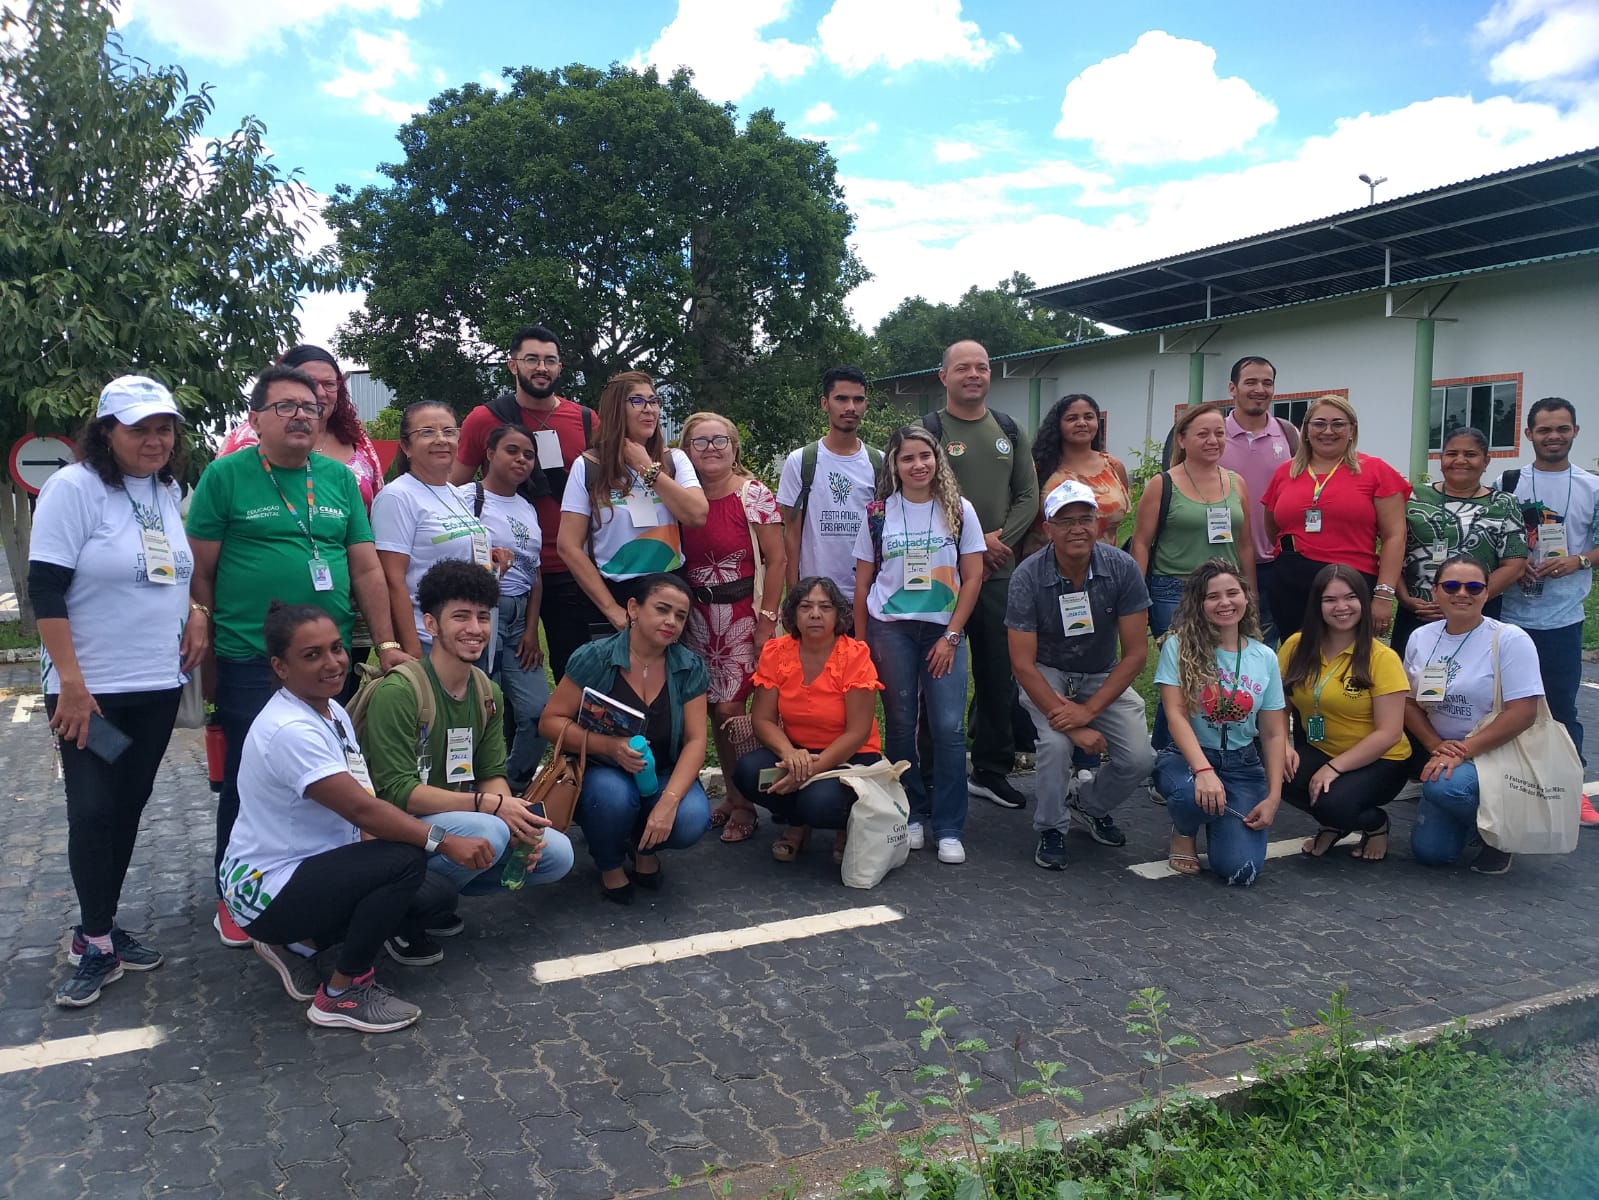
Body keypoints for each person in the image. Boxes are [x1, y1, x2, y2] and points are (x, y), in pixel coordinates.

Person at [188, 364, 410, 950]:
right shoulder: (225, 476)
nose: (300, 416)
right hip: (251, 659)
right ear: (256, 418)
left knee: (330, 774)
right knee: (247, 779)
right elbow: (200, 569)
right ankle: (237, 897)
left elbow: (364, 566)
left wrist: (385, 644)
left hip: (326, 658)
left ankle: (321, 889)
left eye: (309, 407)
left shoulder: (337, 478)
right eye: (285, 406)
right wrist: (200, 624)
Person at [223, 601, 495, 1033]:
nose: (332, 663)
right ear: (280, 666)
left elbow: (364, 810)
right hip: (264, 888)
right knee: (405, 861)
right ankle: (341, 994)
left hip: (305, 870)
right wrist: (444, 841)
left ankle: (302, 942)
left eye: (336, 648)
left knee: (433, 895)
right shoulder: (291, 730)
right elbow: (362, 808)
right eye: (312, 655)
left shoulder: (332, 711)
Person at [31, 377, 209, 1007]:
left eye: (164, 428)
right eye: (139, 428)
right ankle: (97, 939)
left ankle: (96, 927)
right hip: (93, 694)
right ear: (107, 430)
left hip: (156, 686)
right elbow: (45, 590)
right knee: (94, 807)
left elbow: (172, 572)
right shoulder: (73, 488)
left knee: (130, 802)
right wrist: (72, 687)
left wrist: (195, 612)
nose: (155, 440)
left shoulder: (166, 490)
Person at [358, 560, 574, 965]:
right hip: (385, 830)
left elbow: (492, 774)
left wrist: (513, 822)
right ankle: (398, 914)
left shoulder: (486, 691)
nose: (475, 628)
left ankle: (432, 899)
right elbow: (396, 792)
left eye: (482, 617)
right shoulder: (399, 692)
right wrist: (491, 809)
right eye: (460, 616)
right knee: (489, 830)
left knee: (557, 853)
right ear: (431, 624)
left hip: (450, 819)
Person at [1007, 480, 1156, 871]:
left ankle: (1087, 804)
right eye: (1065, 520)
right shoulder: (1027, 576)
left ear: (1098, 522)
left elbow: (1136, 654)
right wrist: (1073, 727)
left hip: (1101, 675)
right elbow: (1022, 664)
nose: (1077, 529)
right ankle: (1051, 827)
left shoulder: (1121, 568)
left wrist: (1088, 711)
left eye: (1085, 519)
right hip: (1047, 673)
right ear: (1048, 528)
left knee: (1140, 758)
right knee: (1056, 747)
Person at [538, 574, 711, 903]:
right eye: (662, 609)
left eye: (680, 615)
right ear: (633, 608)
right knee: (613, 799)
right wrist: (610, 747)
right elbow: (549, 722)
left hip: (660, 771)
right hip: (603, 769)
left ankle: (643, 847)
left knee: (690, 819)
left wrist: (669, 801)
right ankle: (609, 863)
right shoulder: (595, 658)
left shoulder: (690, 667)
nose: (671, 622)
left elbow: (696, 741)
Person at [854, 425, 983, 863]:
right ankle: (909, 813)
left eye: (924, 456)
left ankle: (948, 826)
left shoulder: (959, 510)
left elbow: (974, 576)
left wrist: (951, 635)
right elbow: (862, 582)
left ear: (937, 459)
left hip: (942, 631)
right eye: (907, 458)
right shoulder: (876, 513)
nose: (917, 465)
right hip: (891, 629)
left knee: (948, 729)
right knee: (901, 722)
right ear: (895, 464)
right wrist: (860, 642)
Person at [920, 339, 1039, 812]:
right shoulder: (927, 430)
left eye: (983, 367)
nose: (974, 374)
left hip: (997, 574)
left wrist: (995, 541)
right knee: (931, 674)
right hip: (938, 575)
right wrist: (971, 540)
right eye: (963, 368)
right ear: (943, 376)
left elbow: (1028, 495)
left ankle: (991, 768)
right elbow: (918, 488)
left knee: (998, 676)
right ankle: (925, 775)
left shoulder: (1008, 429)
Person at [452, 324, 601, 682]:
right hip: (506, 573)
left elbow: (605, 489)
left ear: (560, 367)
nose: (541, 368)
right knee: (494, 671)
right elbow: (452, 490)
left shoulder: (585, 419)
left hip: (571, 564)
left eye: (550, 360)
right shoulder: (484, 419)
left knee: (575, 666)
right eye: (531, 359)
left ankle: (573, 734)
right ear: (512, 365)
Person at [677, 412, 785, 843]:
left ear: (735, 447)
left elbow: (777, 559)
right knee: (706, 711)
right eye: (699, 442)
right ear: (686, 452)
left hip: (741, 616)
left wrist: (767, 621)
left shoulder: (753, 494)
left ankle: (751, 802)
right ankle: (735, 796)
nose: (711, 449)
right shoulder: (681, 499)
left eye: (719, 440)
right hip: (693, 621)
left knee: (730, 711)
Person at [1403, 556, 1545, 875]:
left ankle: (1501, 834)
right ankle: (1476, 821)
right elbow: (1407, 701)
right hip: (1445, 751)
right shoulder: (1421, 638)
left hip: (1496, 752)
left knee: (1442, 787)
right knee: (1431, 854)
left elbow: (1524, 713)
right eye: (1451, 585)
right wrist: (1436, 745)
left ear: (1487, 593)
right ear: (1435, 592)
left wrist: (1463, 751)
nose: (1462, 593)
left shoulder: (1510, 639)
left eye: (1474, 586)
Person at [1152, 559, 1287, 885]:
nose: (1224, 603)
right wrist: (1204, 771)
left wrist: (1273, 797)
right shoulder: (1178, 645)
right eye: (1213, 596)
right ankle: (1185, 828)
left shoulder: (1264, 656)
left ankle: (1219, 814)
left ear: (1246, 597)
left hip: (1242, 764)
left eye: (1232, 593)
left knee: (1240, 872)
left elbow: (1272, 731)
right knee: (1190, 796)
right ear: (1199, 604)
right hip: (1188, 758)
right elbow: (1175, 715)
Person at [731, 577, 883, 864]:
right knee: (748, 772)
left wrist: (812, 768)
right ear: (793, 615)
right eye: (806, 606)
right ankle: (797, 823)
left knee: (819, 802)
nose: (815, 614)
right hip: (797, 753)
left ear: (839, 614)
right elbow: (762, 719)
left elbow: (859, 733)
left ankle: (844, 826)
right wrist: (789, 754)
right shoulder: (776, 652)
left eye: (825, 607)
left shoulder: (854, 655)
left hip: (851, 757)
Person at [1279, 565, 1412, 862]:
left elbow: (1389, 733)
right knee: (1272, 766)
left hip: (1381, 761)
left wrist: (1335, 768)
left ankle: (1375, 825)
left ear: (1363, 602)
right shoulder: (1295, 646)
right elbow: (1278, 703)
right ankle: (1333, 824)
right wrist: (1284, 745)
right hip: (1322, 747)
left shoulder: (1383, 658)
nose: (1341, 607)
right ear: (1317, 604)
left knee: (1334, 802)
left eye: (1350, 597)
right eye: (1330, 600)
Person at [1161, 356, 1299, 641]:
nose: (1259, 389)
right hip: (1220, 563)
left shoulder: (1289, 435)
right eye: (1250, 382)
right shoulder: (1212, 435)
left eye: (1267, 382)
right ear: (1232, 388)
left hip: (1275, 562)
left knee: (1263, 645)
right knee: (1208, 647)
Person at [1495, 397, 1595, 782]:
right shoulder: (1507, 483)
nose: (1553, 436)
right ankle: (1505, 778)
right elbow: (1488, 539)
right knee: (1503, 702)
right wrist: (1512, 566)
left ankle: (1569, 781)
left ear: (1575, 432)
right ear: (1528, 435)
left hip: (1562, 617)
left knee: (1560, 706)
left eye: (1562, 429)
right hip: (1508, 615)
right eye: (1544, 430)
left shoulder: (1593, 486)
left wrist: (1578, 560)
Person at [557, 371, 707, 628]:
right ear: (616, 408)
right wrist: (612, 610)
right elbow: (568, 546)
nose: (649, 409)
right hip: (615, 591)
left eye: (654, 401)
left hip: (668, 590)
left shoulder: (674, 460)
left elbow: (697, 515)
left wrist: (648, 469)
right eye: (638, 401)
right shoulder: (588, 466)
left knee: (664, 669)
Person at [1261, 394, 1409, 641]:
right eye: (1319, 424)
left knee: (1348, 662)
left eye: (1338, 424)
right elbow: (1272, 529)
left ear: (1352, 430)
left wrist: (1384, 595)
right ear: (1306, 430)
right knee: (1296, 661)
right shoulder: (1285, 472)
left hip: (1350, 585)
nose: (1327, 431)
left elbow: (1395, 536)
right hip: (1290, 585)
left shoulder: (1375, 470)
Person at [370, 401, 495, 659]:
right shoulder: (397, 497)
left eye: (449, 432)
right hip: (427, 640)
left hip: (466, 635)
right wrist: (412, 650)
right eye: (427, 432)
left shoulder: (454, 493)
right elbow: (392, 580)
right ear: (406, 446)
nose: (441, 439)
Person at [1393, 426, 1527, 660]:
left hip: (1478, 616)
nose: (1460, 460)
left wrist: (1463, 603)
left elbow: (1514, 564)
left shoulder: (1504, 503)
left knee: (1475, 686)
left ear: (1486, 461)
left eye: (1471, 454)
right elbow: (1391, 548)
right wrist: (1404, 598)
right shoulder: (1412, 497)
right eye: (1452, 453)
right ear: (1441, 457)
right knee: (1408, 687)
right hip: (1418, 615)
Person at [1131, 400, 1257, 646]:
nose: (1213, 440)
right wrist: (1137, 599)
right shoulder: (1162, 484)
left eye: (1219, 433)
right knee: (1182, 670)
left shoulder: (1236, 482)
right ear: (1181, 439)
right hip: (1174, 590)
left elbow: (1245, 545)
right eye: (1203, 434)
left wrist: (1250, 593)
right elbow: (1141, 544)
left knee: (1224, 666)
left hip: (1226, 592)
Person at [472, 424, 549, 789]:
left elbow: (535, 572)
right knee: (480, 709)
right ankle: (470, 789)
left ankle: (512, 786)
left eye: (529, 455)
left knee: (539, 715)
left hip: (521, 617)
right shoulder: (465, 499)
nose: (521, 459)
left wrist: (532, 629)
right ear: (489, 453)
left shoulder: (527, 508)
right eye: (512, 450)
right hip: (484, 613)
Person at [220, 345, 386, 509]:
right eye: (309, 382)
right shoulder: (249, 437)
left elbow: (379, 510)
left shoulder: (357, 440)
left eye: (329, 384)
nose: (320, 393)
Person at [776, 366, 881, 603]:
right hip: (816, 598)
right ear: (825, 403)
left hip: (867, 596)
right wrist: (794, 597)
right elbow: (791, 536)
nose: (850, 407)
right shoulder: (801, 461)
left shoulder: (880, 463)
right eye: (841, 399)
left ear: (866, 404)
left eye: (858, 399)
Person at [1025, 393, 1130, 552]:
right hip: (1046, 567)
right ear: (1057, 425)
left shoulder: (1114, 467)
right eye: (1072, 418)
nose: (1082, 423)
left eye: (1088, 417)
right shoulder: (1039, 468)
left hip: (1105, 567)